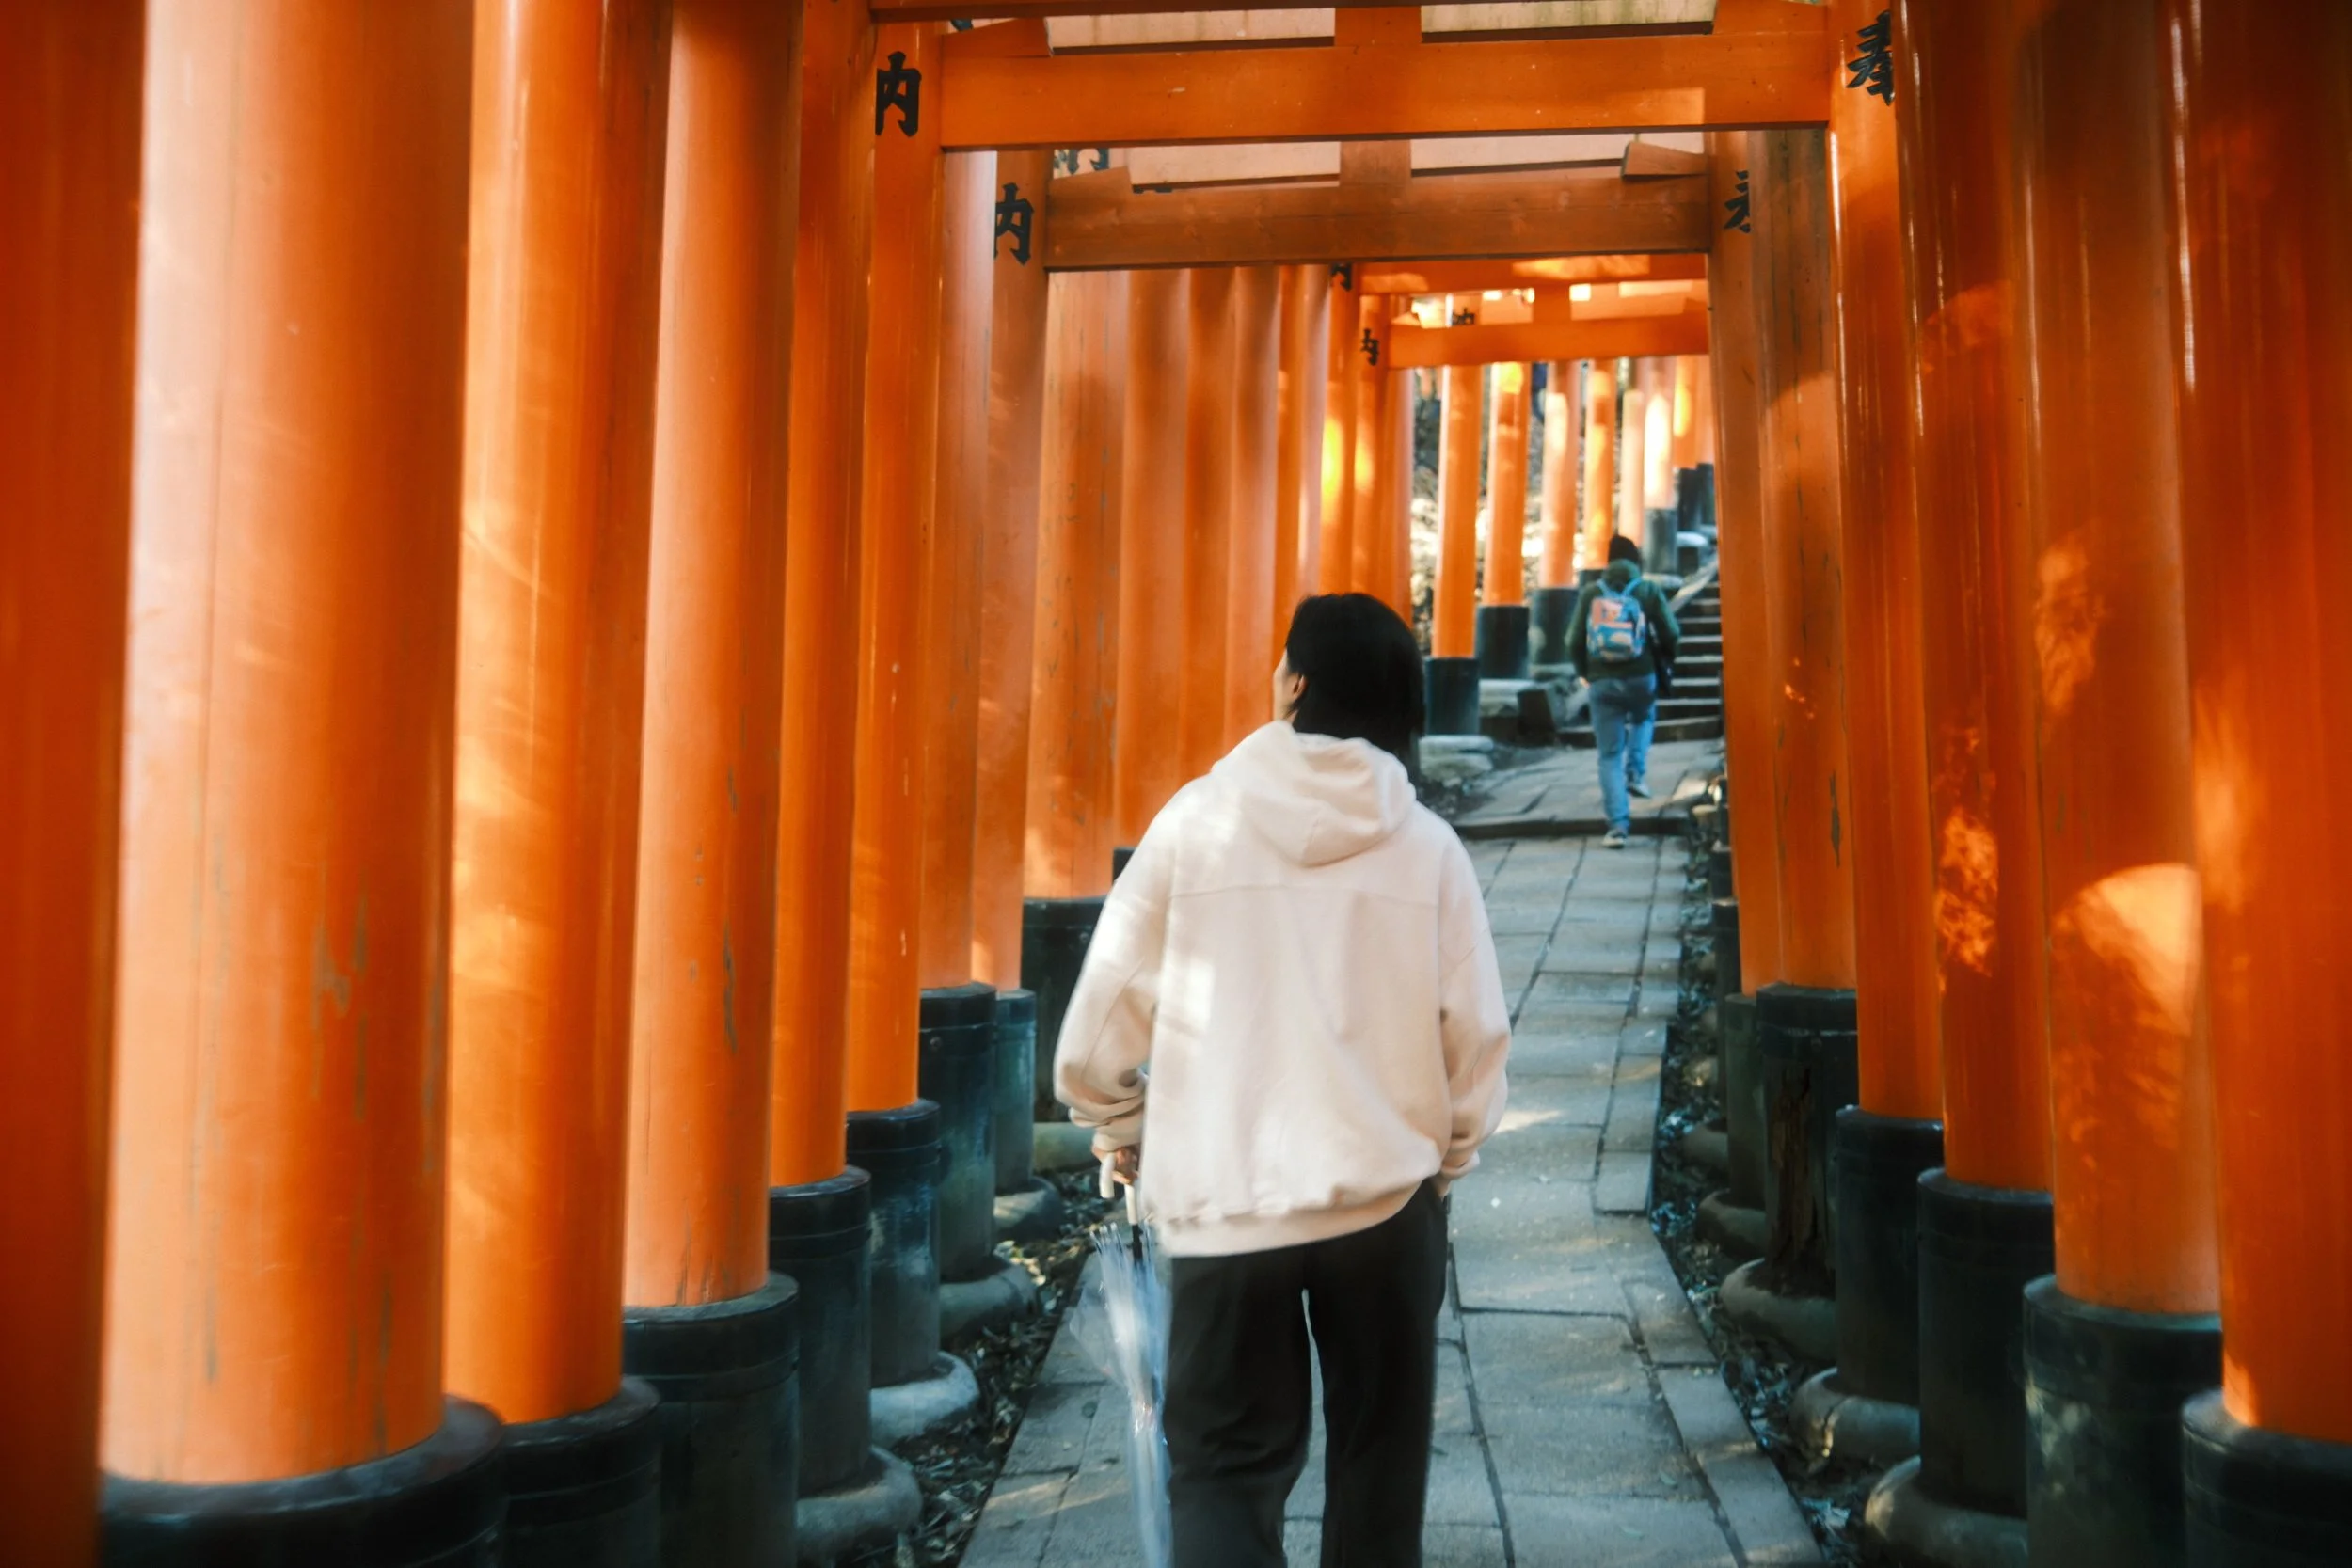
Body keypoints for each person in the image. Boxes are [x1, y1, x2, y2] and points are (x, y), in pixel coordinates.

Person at [1055, 593, 1512, 1568]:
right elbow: (1473, 1038)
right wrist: (1448, 1153)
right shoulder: (1427, 846)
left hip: (1227, 1206)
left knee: (1221, 1470)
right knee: (1378, 1468)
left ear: (1295, 683)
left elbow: (1093, 1036)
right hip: (1386, 1204)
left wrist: (1125, 1120)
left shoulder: (1192, 824)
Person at [1568, 534, 1680, 847]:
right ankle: (1636, 773)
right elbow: (1671, 632)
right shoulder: (1646, 590)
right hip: (1641, 675)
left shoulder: (1591, 593)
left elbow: (1572, 640)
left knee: (1608, 755)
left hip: (1602, 681)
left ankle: (1617, 826)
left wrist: (1585, 672)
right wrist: (1667, 656)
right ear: (1635, 560)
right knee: (1644, 719)